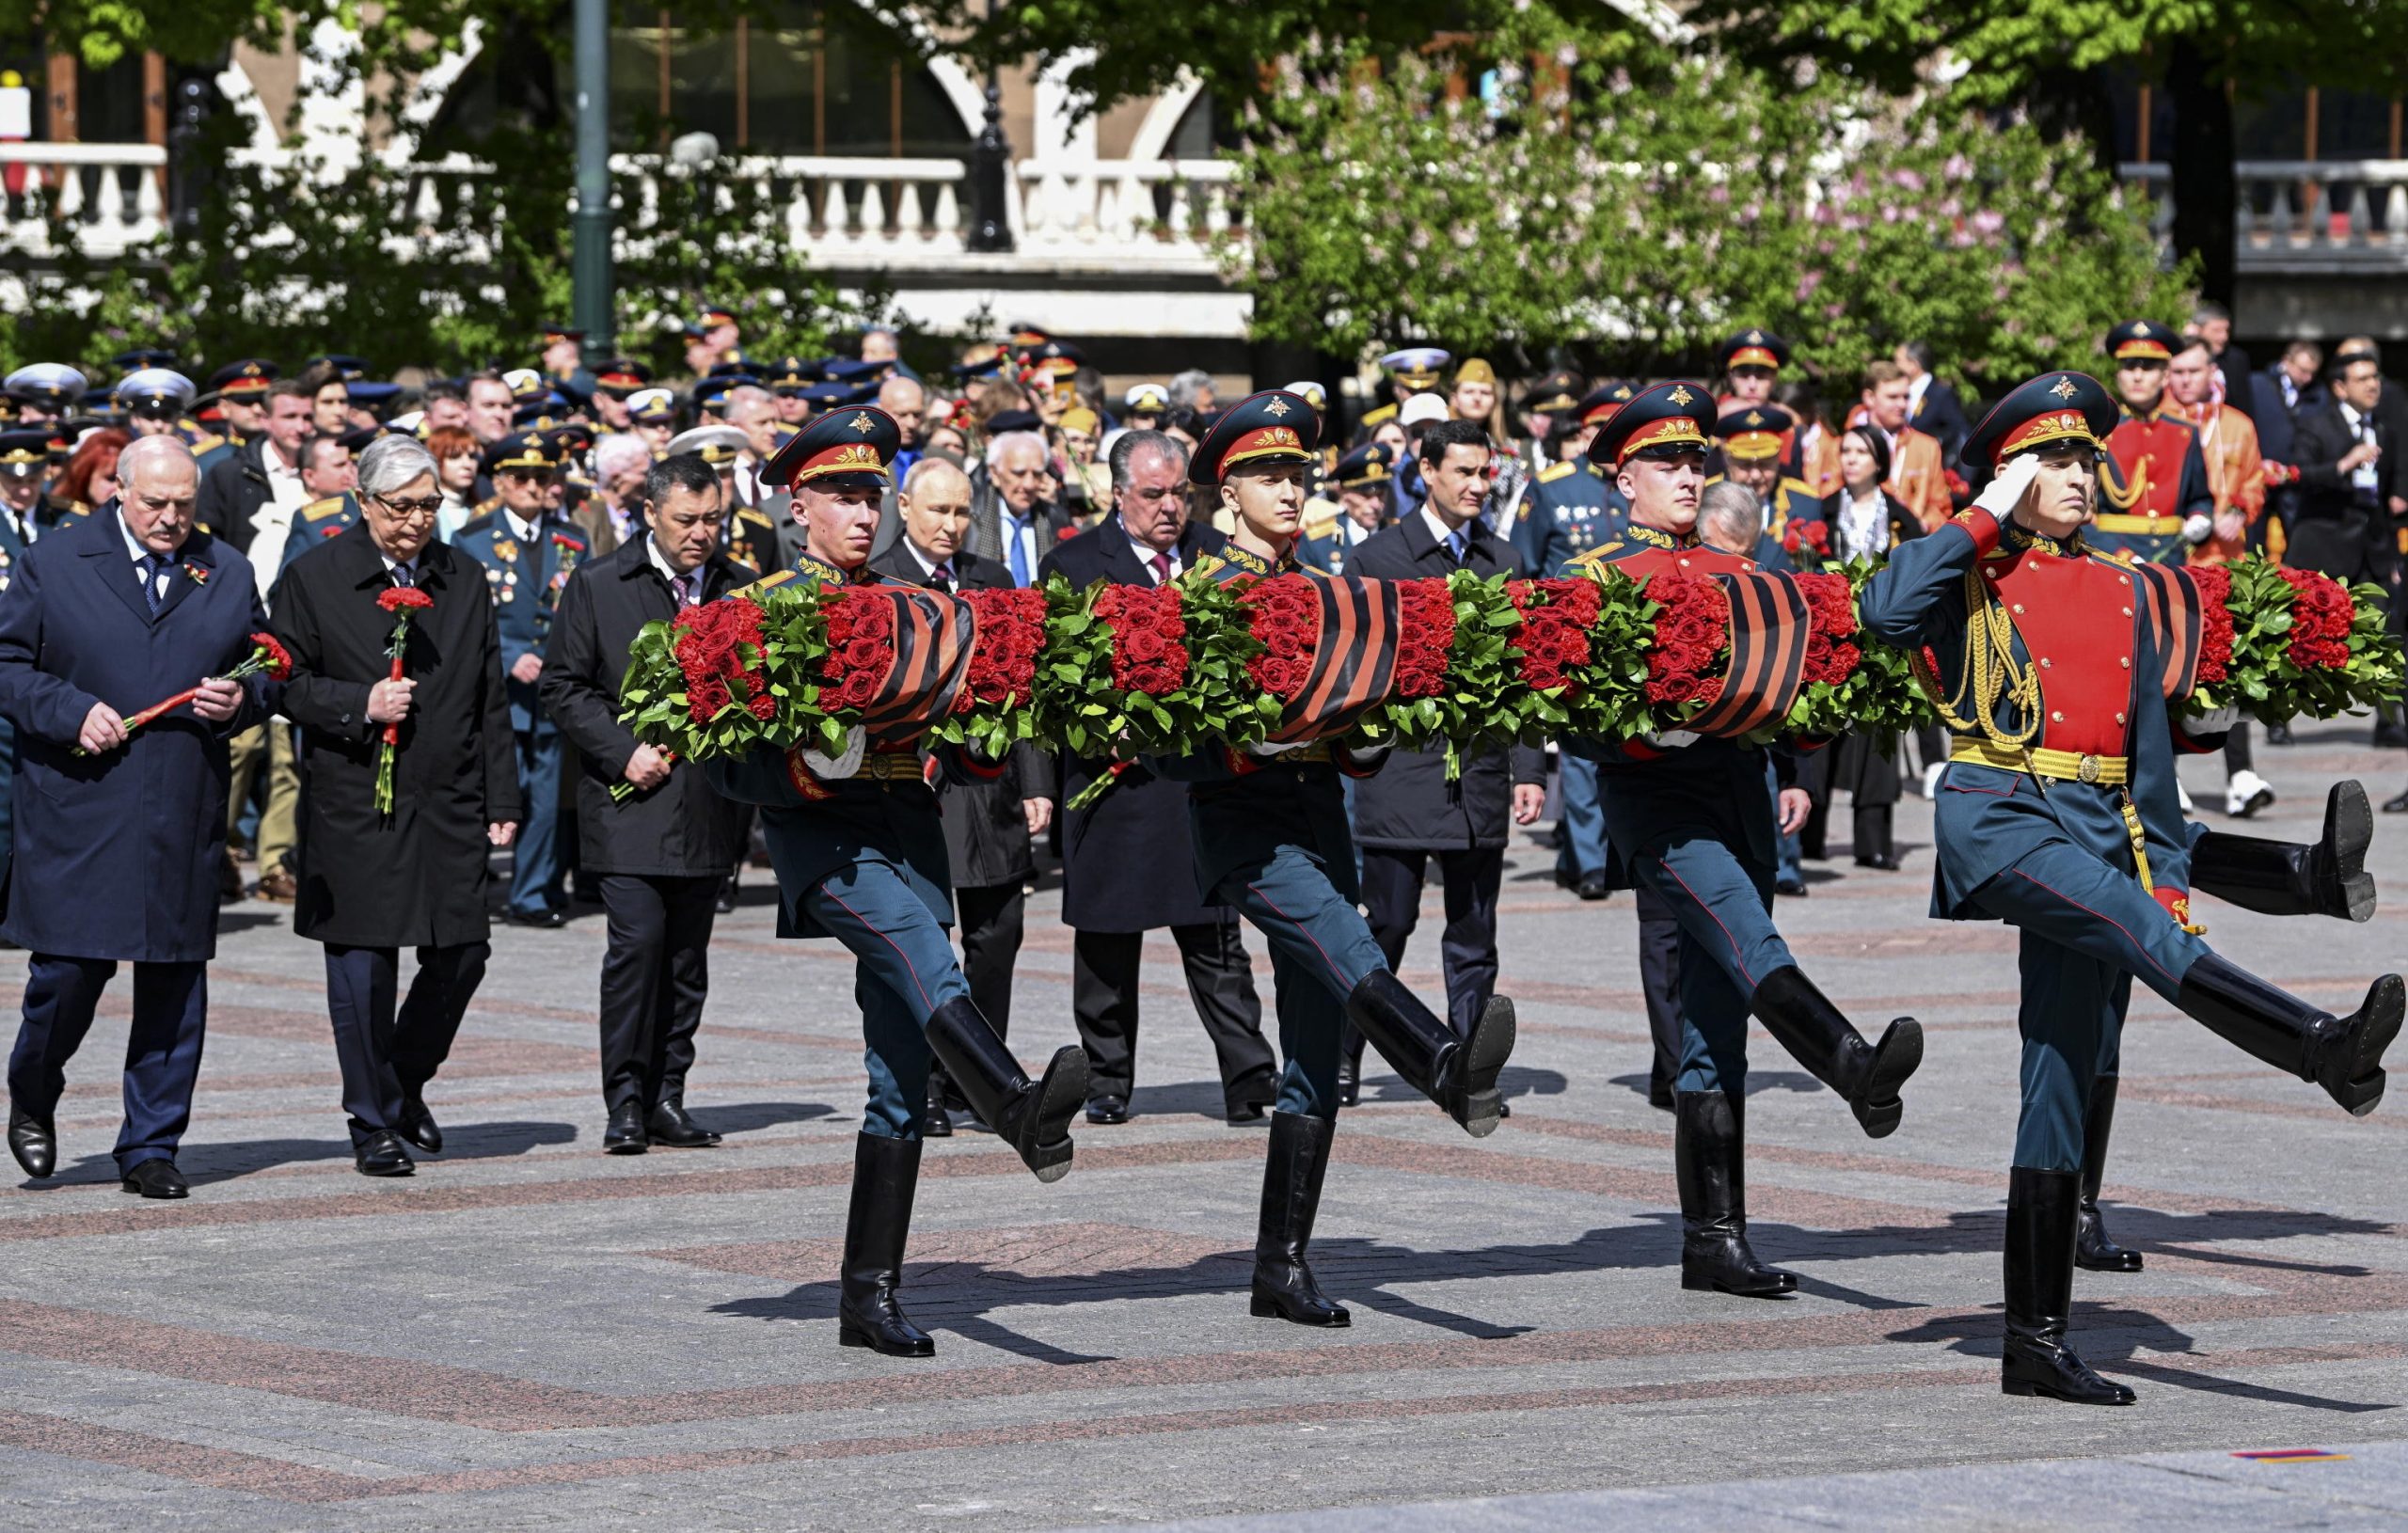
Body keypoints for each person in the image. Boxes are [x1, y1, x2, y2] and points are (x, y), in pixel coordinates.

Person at [1859, 371, 2400, 1406]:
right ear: (2012, 474)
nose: (2076, 476)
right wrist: (1980, 512)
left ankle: (2034, 1339)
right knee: (2135, 934)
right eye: (2051, 461)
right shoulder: (1971, 568)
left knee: (2060, 1076)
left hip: (2100, 826)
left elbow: (2149, 762)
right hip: (2005, 816)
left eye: (2080, 459)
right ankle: (2316, 1045)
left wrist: (2167, 871)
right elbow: (1883, 613)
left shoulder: (2125, 585)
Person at [704, 404, 1087, 1358]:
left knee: (899, 1070)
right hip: (824, 840)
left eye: (871, 494)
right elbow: (721, 760)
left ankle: (868, 1295)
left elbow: (964, 721)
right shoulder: (760, 611)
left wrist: (982, 730)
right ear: (797, 507)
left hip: (911, 830)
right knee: (926, 958)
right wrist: (799, 765)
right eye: (841, 496)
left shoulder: (918, 605)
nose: (861, 513)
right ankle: (1010, 1101)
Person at [1565, 383, 1924, 1299]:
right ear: (1623, 478)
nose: (1687, 476)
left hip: (1738, 796)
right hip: (1659, 805)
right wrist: (1646, 729)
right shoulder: (1597, 579)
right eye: (1666, 463)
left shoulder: (1743, 580)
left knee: (1712, 1032)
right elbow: (1569, 712)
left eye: (1696, 461)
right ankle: (1850, 1063)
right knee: (1746, 937)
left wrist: (1803, 768)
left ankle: (1712, 1240)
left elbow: (1799, 694)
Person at [1170, 390, 1517, 1327]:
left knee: (1315, 1054)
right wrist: (1257, 736)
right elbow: (1169, 742)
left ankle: (1280, 1267)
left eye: (1297, 475)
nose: (1290, 490)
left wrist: (1364, 720)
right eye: (1270, 476)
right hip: (1246, 828)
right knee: (1344, 941)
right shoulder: (1200, 589)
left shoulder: (1322, 582)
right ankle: (1443, 1066)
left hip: (1319, 821)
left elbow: (1358, 732)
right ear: (1227, 487)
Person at [0, 436, 275, 1197]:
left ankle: (151, 1143)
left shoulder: (225, 568)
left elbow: (266, 665)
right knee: (66, 976)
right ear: (116, 491)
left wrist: (241, 699)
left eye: (184, 503)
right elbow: (7, 665)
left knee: (173, 982)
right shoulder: (54, 563)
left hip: (178, 804)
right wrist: (69, 709)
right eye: (155, 502)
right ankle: (32, 1086)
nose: (171, 517)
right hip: (80, 805)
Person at [271, 435, 521, 1177]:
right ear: (364, 503)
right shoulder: (315, 577)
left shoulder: (464, 576)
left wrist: (501, 795)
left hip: (447, 798)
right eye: (401, 506)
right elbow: (283, 683)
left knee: (463, 951)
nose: (416, 522)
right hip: (358, 799)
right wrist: (359, 703)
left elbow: (489, 696)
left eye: (429, 505)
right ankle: (370, 1119)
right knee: (363, 964)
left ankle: (402, 1081)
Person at [1039, 430, 1279, 1126]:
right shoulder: (1076, 563)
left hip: (1201, 787)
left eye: (1181, 492)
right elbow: (1051, 683)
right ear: (1118, 495)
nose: (1171, 507)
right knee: (1108, 944)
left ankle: (1249, 1075)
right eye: (1153, 495)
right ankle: (1108, 1080)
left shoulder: (1219, 557)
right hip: (1114, 785)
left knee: (1216, 942)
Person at [538, 450, 751, 1153]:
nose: (701, 533)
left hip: (707, 804)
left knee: (688, 958)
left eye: (713, 519)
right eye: (686, 520)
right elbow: (565, 685)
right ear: (650, 514)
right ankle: (625, 1100)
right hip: (628, 800)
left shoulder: (740, 589)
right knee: (638, 947)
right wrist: (620, 748)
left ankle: (668, 1095)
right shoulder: (601, 584)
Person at [1339, 419, 1547, 1109]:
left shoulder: (1503, 560)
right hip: (1401, 774)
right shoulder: (1379, 559)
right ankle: (1343, 1055)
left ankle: (1471, 1068)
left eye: (1484, 473)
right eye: (1462, 471)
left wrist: (1528, 772)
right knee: (1385, 927)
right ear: (1426, 471)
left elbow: (1522, 676)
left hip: (1478, 780)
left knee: (1474, 934)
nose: (1476, 486)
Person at [870, 456, 1055, 1134]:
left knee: (998, 933)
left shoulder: (993, 578)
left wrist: (1036, 781)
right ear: (906, 508)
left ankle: (975, 1081)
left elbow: (1021, 687)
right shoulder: (880, 580)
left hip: (990, 784)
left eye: (960, 513)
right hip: (913, 787)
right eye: (938, 511)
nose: (950, 526)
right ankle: (922, 1084)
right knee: (926, 939)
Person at [453, 432, 590, 927]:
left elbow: (579, 613)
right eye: (522, 477)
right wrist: (510, 655)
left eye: (543, 476)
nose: (534, 486)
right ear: (500, 482)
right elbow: (462, 616)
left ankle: (530, 895)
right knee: (492, 792)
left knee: (547, 797)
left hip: (552, 690)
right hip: (497, 691)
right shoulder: (472, 540)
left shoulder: (574, 538)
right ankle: (471, 887)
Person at [1515, 382, 1635, 901]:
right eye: (1601, 431)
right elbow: (1524, 564)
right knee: (1583, 753)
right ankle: (1589, 861)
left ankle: (1581, 852)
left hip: (1633, 636)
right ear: (1584, 433)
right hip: (1570, 635)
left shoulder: (1642, 486)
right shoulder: (1553, 487)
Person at [2166, 339, 2277, 819]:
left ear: (2212, 372)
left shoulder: (2237, 424)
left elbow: (2253, 480)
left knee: (2229, 668)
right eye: (2177, 372)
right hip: (2172, 561)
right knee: (2168, 668)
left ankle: (2240, 776)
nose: (2184, 380)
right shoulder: (2161, 427)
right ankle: (2165, 776)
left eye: (2193, 371)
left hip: (2225, 563)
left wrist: (2239, 509)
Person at [1816, 425, 1925, 870]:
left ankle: (1873, 842)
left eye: (1861, 451)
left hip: (1882, 641)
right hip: (1827, 635)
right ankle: (1808, 836)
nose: (1851, 459)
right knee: (1818, 733)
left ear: (1879, 461)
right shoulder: (1820, 512)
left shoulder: (1900, 518)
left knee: (1878, 736)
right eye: (1846, 451)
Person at [2094, 320, 2214, 567]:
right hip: (2114, 557)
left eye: (2148, 368)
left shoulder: (2185, 433)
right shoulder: (2099, 433)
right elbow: (2079, 515)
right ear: (2118, 375)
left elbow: (2199, 497)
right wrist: (2121, 555)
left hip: (2172, 556)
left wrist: (2200, 517)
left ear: (2165, 376)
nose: (2137, 377)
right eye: (2129, 367)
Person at [197, 376, 315, 568]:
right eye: (290, 417)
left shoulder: (324, 471)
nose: (300, 427)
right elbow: (209, 545)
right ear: (266, 420)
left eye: (307, 418)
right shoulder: (229, 474)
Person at [968, 430, 1070, 582]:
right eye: (1019, 473)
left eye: (1037, 474)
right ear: (995, 474)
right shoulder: (970, 517)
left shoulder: (1056, 519)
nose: (1029, 484)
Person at [1860, 361, 1953, 529]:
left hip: (1913, 547)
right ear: (1870, 398)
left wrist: (1921, 525)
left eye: (1906, 397)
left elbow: (1941, 507)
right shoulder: (1850, 447)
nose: (1902, 404)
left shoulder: (1927, 447)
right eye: (1893, 397)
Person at [1895, 340, 1972, 463]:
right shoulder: (1900, 393)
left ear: (1914, 365)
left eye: (1898, 361)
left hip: (1931, 469)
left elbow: (1962, 434)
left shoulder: (1940, 394)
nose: (1894, 366)